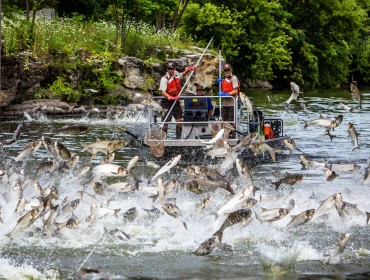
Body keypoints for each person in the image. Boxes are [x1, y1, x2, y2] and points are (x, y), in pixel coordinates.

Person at [159, 62, 195, 138]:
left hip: (176, 102)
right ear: (167, 69)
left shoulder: (176, 74)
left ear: (174, 69)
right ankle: (163, 139)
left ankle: (178, 138)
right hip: (167, 102)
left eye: (172, 69)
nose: (170, 70)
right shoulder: (164, 78)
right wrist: (170, 97)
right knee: (165, 122)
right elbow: (163, 92)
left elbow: (182, 75)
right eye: (168, 69)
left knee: (179, 120)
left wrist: (188, 70)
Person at [217, 63, 240, 137]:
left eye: (228, 70)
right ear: (224, 71)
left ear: (230, 70)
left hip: (232, 104)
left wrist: (226, 94)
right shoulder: (223, 80)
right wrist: (219, 85)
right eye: (225, 70)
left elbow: (235, 91)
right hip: (225, 104)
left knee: (232, 122)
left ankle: (233, 137)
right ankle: (225, 137)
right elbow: (222, 90)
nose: (227, 71)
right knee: (224, 122)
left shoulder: (233, 78)